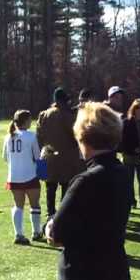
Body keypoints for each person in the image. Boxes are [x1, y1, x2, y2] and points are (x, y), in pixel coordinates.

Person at [45, 102, 130, 280]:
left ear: (83, 137)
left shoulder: (85, 181)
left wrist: (50, 225)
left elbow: (56, 233)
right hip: (116, 274)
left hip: (86, 277)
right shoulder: (122, 173)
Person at [36, 87, 85, 221]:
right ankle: (62, 217)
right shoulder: (67, 116)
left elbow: (39, 137)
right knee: (66, 188)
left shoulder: (44, 114)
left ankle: (50, 215)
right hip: (67, 158)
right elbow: (76, 134)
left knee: (50, 189)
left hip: (48, 156)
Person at [2, 110, 42, 245]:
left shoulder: (8, 137)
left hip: (14, 176)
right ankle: (36, 233)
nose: (31, 122)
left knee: (18, 206)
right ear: (25, 121)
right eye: (30, 120)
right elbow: (37, 157)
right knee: (35, 205)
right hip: (30, 175)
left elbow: (5, 157)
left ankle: (19, 235)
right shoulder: (31, 136)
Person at [122, 99, 140, 209]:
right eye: (138, 108)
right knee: (129, 181)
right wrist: (133, 149)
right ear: (134, 109)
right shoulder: (127, 122)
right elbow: (123, 140)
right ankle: (131, 201)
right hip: (129, 155)